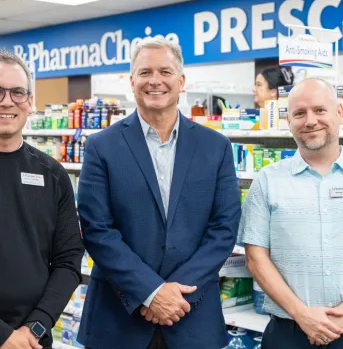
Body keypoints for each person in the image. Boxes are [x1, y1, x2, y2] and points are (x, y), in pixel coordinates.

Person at [77, 37, 241, 349]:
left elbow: (223, 228)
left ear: (181, 81)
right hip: (117, 320)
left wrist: (173, 295)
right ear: (131, 81)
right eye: (145, 72)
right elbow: (97, 230)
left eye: (165, 72)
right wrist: (150, 292)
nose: (155, 81)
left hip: (191, 315)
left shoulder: (215, 147)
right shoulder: (102, 146)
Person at [238, 78, 343, 348]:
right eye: (299, 113)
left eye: (320, 110)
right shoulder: (267, 180)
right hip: (289, 333)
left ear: (339, 113)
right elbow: (255, 257)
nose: (310, 121)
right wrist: (302, 315)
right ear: (288, 121)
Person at [0, 50, 84, 349]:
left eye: (18, 92)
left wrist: (35, 327)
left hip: (32, 340)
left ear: (30, 102)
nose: (7, 101)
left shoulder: (52, 173)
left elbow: (69, 258)